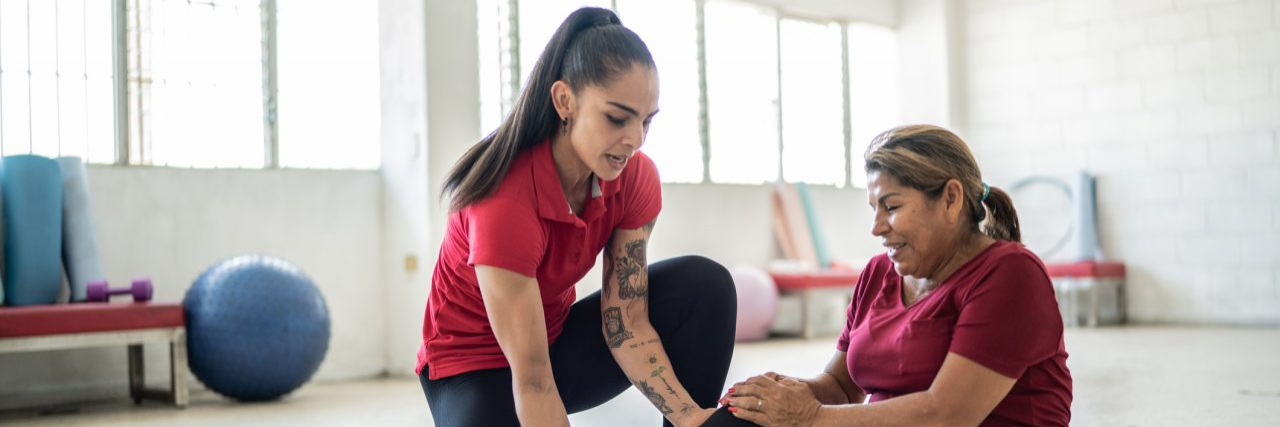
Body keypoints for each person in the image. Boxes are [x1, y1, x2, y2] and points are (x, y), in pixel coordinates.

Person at [417, 7, 736, 427]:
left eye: (646, 122)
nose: (635, 140)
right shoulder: (503, 199)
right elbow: (533, 381)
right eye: (617, 118)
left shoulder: (634, 176)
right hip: (471, 367)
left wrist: (692, 417)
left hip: (552, 342)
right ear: (564, 101)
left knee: (704, 288)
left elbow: (628, 323)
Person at [715, 125, 1072, 427]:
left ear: (950, 199)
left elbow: (947, 415)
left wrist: (811, 416)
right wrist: (781, 394)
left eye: (892, 207)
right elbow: (841, 386)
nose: (876, 227)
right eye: (874, 209)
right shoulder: (878, 273)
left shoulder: (1010, 274)